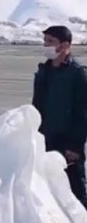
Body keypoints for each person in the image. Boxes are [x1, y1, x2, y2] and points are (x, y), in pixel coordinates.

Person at [32, 25, 87, 208]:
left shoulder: (78, 74)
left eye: (50, 41)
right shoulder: (43, 72)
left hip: (67, 142)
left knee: (75, 192)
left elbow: (83, 113)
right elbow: (36, 106)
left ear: (64, 45)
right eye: (45, 40)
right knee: (47, 190)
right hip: (45, 138)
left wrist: (75, 145)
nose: (45, 45)